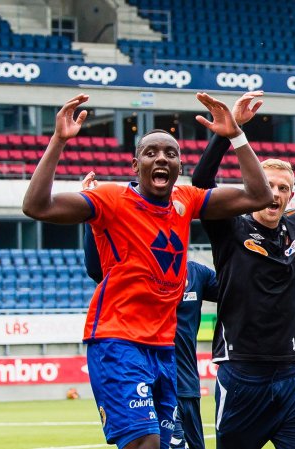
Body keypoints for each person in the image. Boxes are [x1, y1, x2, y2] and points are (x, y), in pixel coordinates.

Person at [22, 92, 272, 449]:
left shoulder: (186, 201)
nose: (161, 158)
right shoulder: (110, 199)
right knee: (146, 443)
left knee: (168, 445)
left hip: (162, 348)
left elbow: (258, 196)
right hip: (117, 339)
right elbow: (36, 206)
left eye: (170, 153)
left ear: (180, 167)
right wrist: (59, 140)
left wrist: (237, 136)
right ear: (134, 165)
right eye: (151, 152)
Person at [191, 94, 295, 449]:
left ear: (291, 196)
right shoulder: (229, 227)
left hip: (291, 374)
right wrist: (227, 133)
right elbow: (201, 185)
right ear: (252, 185)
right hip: (241, 374)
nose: (275, 193)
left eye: (283, 188)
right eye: (268, 184)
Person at [81, 173, 218, 449]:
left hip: (184, 381)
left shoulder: (198, 274)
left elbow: (236, 295)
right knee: (150, 442)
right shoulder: (133, 268)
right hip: (138, 365)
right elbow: (98, 270)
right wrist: (93, 220)